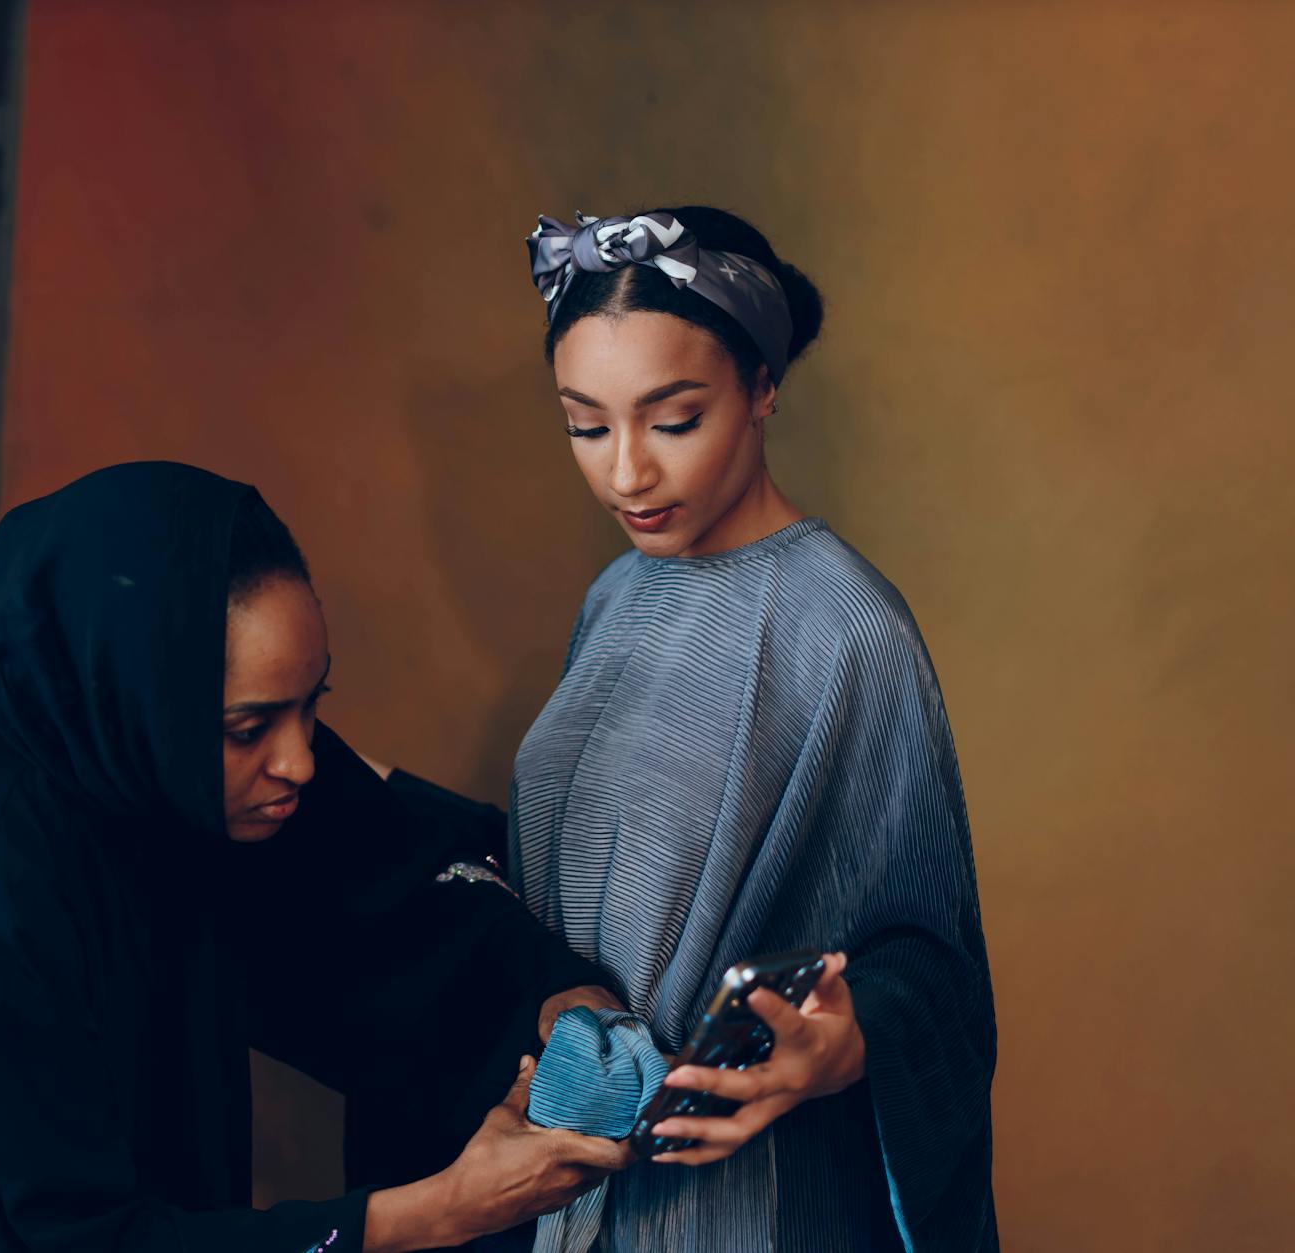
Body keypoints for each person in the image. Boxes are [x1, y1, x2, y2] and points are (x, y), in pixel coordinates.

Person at [0, 461, 634, 1252]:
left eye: (312, 704)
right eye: (248, 724)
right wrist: (430, 1211)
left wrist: (559, 998)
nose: (299, 760)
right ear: (134, 704)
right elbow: (74, 1243)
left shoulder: (195, 771)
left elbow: (412, 884)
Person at [360, 208, 996, 1251]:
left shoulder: (847, 628)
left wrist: (838, 1046)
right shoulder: (614, 594)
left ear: (760, 387)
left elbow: (930, 954)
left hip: (741, 1197)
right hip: (569, 1173)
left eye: (671, 419)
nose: (624, 473)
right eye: (584, 423)